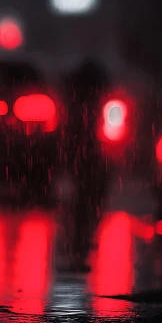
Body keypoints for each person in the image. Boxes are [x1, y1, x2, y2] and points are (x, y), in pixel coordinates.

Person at [61, 58, 111, 271]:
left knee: (81, 202)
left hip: (84, 155)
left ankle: (77, 243)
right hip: (92, 155)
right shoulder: (96, 102)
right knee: (89, 201)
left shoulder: (74, 101)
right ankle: (80, 243)